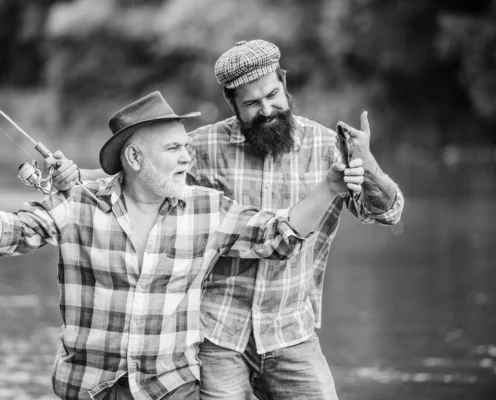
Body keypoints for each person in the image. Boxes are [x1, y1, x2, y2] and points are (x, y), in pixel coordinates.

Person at [0, 91, 366, 400]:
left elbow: (280, 233)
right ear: (135, 159)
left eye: (187, 148)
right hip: (89, 388)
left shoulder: (207, 210)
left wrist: (329, 187)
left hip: (171, 390)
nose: (187, 159)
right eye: (174, 149)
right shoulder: (78, 202)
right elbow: (8, 233)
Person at [55, 40, 404, 399]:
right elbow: (137, 176)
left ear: (283, 82)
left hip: (290, 329)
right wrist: (74, 177)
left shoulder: (327, 146)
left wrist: (369, 163)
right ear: (232, 102)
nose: (267, 110)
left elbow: (388, 213)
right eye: (252, 103)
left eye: (272, 95)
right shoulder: (200, 147)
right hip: (215, 331)